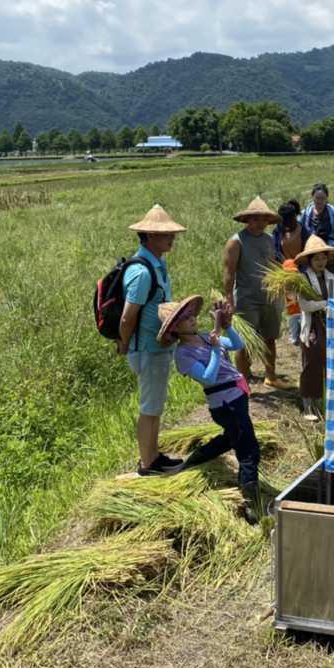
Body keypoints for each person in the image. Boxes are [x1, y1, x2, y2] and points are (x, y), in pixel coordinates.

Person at [160, 295, 262, 523]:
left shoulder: (207, 337)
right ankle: (250, 504)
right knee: (248, 450)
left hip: (237, 396)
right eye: (184, 318)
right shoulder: (183, 354)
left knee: (231, 438)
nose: (191, 319)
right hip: (226, 404)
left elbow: (237, 345)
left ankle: (196, 459)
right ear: (175, 329)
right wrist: (216, 349)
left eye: (190, 315)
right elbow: (208, 376)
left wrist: (227, 326)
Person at [120, 204, 185, 477]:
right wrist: (124, 345)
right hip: (146, 349)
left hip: (157, 348)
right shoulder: (143, 272)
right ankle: (147, 465)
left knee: (155, 406)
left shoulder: (158, 265)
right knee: (149, 408)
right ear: (147, 236)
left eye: (171, 233)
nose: (171, 238)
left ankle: (154, 456)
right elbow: (127, 317)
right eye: (164, 234)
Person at [223, 196, 288, 389]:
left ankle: (270, 375)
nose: (260, 223)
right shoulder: (236, 242)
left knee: (270, 338)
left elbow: (270, 265)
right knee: (244, 342)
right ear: (247, 220)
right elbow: (228, 272)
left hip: (268, 297)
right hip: (246, 298)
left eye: (263, 219)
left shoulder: (269, 240)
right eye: (256, 219)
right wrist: (229, 299)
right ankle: (243, 382)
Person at [295, 235, 334, 421]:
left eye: (323, 257)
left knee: (328, 362)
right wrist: (324, 304)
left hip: (329, 325)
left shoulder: (330, 277)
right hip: (312, 325)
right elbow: (304, 306)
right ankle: (307, 403)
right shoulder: (303, 278)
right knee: (311, 361)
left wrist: (330, 305)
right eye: (316, 258)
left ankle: (323, 401)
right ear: (309, 260)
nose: (321, 261)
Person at [274, 200, 304, 346]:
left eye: (290, 220)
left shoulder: (303, 230)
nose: (288, 224)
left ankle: (305, 331)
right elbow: (275, 252)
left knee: (305, 303)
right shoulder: (278, 231)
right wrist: (284, 266)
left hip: (303, 272)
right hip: (286, 273)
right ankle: (294, 335)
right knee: (292, 305)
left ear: (295, 217)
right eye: (285, 221)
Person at [301, 184, 334, 273]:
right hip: (311, 254)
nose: (319, 201)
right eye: (317, 198)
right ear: (312, 197)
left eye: (322, 198)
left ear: (327, 198)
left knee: (328, 279)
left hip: (329, 254)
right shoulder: (305, 214)